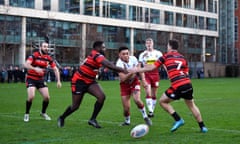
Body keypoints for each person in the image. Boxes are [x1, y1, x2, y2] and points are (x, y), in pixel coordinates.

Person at [130, 39, 208, 133]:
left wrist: (137, 70)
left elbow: (152, 67)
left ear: (170, 46)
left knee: (163, 101)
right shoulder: (182, 58)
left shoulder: (165, 56)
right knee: (192, 105)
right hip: (188, 84)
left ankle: (178, 119)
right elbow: (186, 73)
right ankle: (202, 127)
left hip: (177, 85)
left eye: (167, 45)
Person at [57, 41, 128, 128]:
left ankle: (92, 119)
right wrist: (123, 70)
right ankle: (62, 117)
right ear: (98, 48)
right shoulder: (96, 55)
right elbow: (109, 65)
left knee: (101, 97)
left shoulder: (97, 55)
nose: (105, 49)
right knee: (75, 106)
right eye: (103, 47)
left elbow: (107, 64)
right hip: (79, 81)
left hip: (90, 81)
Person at [23, 41, 62, 122]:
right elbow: (26, 64)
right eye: (44, 46)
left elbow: (55, 69)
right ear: (40, 47)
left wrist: (58, 81)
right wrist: (35, 69)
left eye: (47, 47)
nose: (46, 48)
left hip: (40, 79)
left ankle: (43, 113)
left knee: (47, 98)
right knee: (31, 97)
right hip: (31, 78)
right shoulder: (34, 55)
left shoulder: (48, 58)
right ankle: (27, 114)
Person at [116, 46, 152, 126]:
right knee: (126, 108)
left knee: (137, 100)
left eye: (127, 53)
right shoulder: (118, 64)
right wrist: (132, 72)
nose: (126, 55)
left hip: (135, 82)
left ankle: (146, 117)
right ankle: (127, 121)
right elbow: (123, 79)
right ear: (119, 55)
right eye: (123, 54)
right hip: (124, 85)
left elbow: (140, 70)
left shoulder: (133, 59)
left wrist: (143, 80)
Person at [138, 38, 163, 117]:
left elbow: (162, 63)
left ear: (153, 44)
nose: (149, 44)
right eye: (147, 43)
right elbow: (140, 66)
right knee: (148, 92)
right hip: (146, 74)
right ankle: (151, 111)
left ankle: (152, 109)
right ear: (145, 45)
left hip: (155, 74)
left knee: (154, 94)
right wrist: (142, 78)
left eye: (150, 43)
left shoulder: (158, 53)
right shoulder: (142, 54)